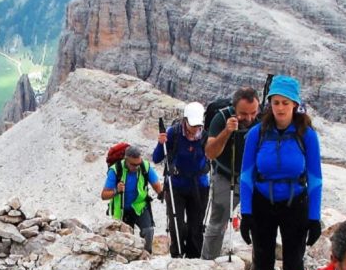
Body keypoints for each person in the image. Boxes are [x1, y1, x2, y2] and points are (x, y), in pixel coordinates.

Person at [239, 74, 322, 270]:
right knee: (262, 260)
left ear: (295, 104)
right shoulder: (257, 134)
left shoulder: (307, 135)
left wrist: (314, 217)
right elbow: (246, 175)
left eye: (286, 103)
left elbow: (315, 178)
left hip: (295, 203)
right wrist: (247, 212)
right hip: (263, 201)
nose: (281, 108)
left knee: (294, 263)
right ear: (270, 104)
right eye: (276, 102)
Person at [201, 87, 261, 260]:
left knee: (260, 224)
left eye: (253, 113)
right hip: (226, 176)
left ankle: (260, 268)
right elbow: (210, 153)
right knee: (217, 224)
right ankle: (207, 264)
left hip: (255, 179)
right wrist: (227, 132)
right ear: (234, 108)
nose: (249, 118)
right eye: (243, 113)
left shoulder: (263, 120)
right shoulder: (221, 118)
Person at [153, 102, 210, 258]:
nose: (195, 129)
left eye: (198, 125)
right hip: (176, 185)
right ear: (185, 120)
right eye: (192, 125)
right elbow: (157, 158)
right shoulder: (174, 133)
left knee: (196, 225)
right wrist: (161, 143)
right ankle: (177, 254)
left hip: (199, 186)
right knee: (176, 223)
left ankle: (194, 256)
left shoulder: (205, 136)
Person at [101, 144, 164, 253]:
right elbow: (104, 195)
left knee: (148, 231)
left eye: (138, 164)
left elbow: (157, 185)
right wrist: (116, 190)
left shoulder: (145, 167)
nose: (137, 167)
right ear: (126, 160)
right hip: (122, 210)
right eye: (133, 165)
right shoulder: (115, 170)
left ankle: (146, 255)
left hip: (140, 206)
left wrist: (162, 194)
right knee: (127, 238)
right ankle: (130, 257)